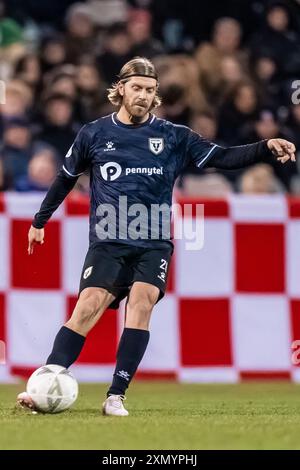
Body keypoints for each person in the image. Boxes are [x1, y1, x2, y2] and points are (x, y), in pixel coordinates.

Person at [17, 57, 296, 416]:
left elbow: (222, 157)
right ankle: (47, 380)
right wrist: (40, 220)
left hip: (154, 240)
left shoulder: (173, 136)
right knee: (88, 307)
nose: (143, 96)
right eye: (136, 88)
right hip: (109, 239)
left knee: (142, 301)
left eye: (150, 90)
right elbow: (65, 177)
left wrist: (264, 147)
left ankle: (116, 395)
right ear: (120, 89)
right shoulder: (94, 133)